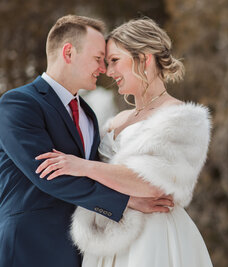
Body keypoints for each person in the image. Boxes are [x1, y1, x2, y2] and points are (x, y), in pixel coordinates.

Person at [35, 17, 213, 267]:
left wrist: (82, 166)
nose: (108, 72)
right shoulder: (116, 120)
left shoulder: (183, 118)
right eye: (106, 63)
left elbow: (153, 184)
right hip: (106, 238)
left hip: (154, 235)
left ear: (144, 58)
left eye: (115, 61)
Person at [0, 15, 172, 267]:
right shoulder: (18, 104)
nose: (104, 69)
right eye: (97, 59)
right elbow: (47, 173)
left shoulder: (89, 115)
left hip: (80, 251)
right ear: (68, 52)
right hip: (28, 246)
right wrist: (125, 202)